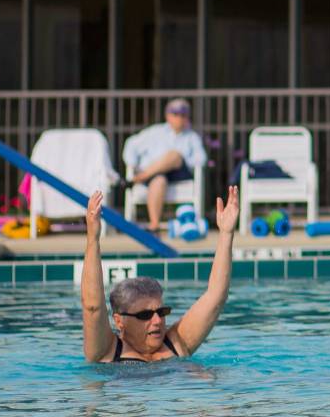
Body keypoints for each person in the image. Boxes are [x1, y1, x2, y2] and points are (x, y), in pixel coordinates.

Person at [80, 187, 239, 363]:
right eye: (145, 315)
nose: (157, 321)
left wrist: (226, 234)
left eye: (161, 312)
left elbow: (216, 297)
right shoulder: (105, 350)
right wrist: (93, 238)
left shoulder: (178, 342)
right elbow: (93, 307)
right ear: (119, 321)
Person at [121, 98, 208, 231]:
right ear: (168, 115)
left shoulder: (192, 137)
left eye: (183, 114)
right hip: (155, 175)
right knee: (159, 180)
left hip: (179, 174)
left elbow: (201, 159)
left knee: (174, 155)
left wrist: (177, 161)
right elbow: (131, 144)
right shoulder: (154, 132)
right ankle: (154, 225)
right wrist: (132, 164)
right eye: (176, 114)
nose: (180, 118)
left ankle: (139, 178)